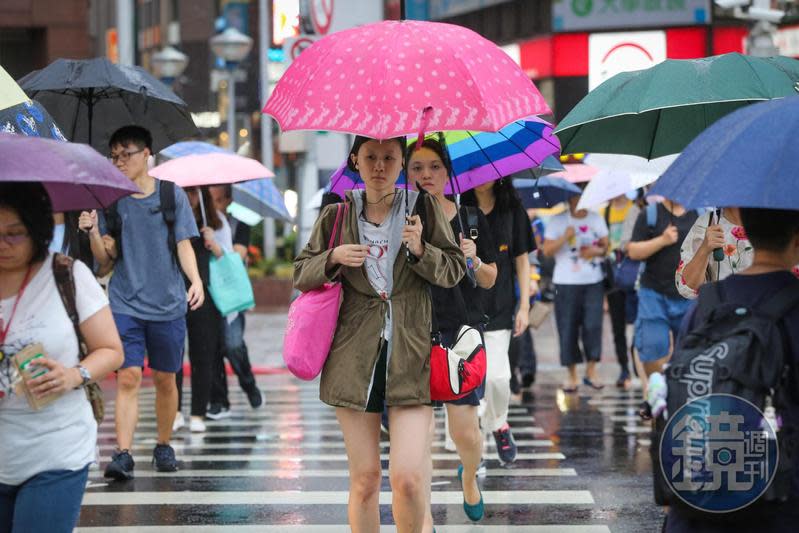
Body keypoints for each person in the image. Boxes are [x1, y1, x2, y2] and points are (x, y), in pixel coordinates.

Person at [294, 135, 465, 533]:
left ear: (402, 162)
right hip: (354, 359)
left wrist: (421, 249)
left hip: (412, 355)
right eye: (370, 157)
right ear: (355, 160)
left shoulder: (422, 208)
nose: (380, 167)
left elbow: (455, 270)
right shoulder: (337, 214)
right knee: (366, 479)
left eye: (389, 158)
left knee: (407, 479)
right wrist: (333, 258)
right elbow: (301, 272)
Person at [79, 125, 204, 479]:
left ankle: (164, 444)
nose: (119, 161)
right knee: (129, 377)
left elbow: (183, 244)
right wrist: (91, 233)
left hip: (167, 304)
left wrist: (195, 281)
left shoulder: (170, 195)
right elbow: (104, 261)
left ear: (147, 153)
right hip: (125, 302)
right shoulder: (111, 202)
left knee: (166, 379)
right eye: (114, 155)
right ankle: (123, 453)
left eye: (126, 153)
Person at [665, 207, 799, 532]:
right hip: (782, 496)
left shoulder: (705, 308)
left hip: (705, 491)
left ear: (748, 233)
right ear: (796, 241)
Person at [0, 183, 124, 533]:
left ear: (36, 229)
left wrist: (74, 375)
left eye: (14, 234)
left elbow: (112, 351)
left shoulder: (67, 275)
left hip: (55, 450)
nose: (3, 244)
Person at [408, 137, 497, 525]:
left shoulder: (471, 218)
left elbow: (492, 279)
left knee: (466, 434)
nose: (425, 175)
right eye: (417, 168)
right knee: (418, 438)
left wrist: (474, 260)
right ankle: (422, 515)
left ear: (447, 172)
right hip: (416, 335)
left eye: (434, 167)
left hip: (462, 335)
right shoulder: (403, 217)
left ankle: (470, 476)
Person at [461, 178, 534, 465]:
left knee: (499, 378)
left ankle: (499, 424)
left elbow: (522, 259)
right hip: (464, 308)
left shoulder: (512, 208)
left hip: (501, 306)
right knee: (466, 383)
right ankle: (471, 442)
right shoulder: (459, 207)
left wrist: (525, 306)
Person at [627, 197, 697, 405]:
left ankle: (679, 395)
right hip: (653, 292)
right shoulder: (649, 214)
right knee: (652, 346)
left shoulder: (701, 214)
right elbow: (633, 251)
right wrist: (662, 240)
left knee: (690, 350)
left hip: (690, 294)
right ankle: (656, 390)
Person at [542, 189, 609, 393]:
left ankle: (591, 370)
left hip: (593, 281)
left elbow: (606, 247)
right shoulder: (558, 220)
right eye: (576, 195)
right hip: (565, 282)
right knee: (567, 327)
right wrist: (565, 237)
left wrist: (595, 251)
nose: (579, 200)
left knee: (593, 325)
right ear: (568, 197)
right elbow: (546, 251)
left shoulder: (596, 219)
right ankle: (571, 375)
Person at [173, 186, 226, 433]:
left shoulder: (214, 222)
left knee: (202, 355)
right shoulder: (170, 220)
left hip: (206, 295)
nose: (190, 198)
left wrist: (212, 242)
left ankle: (198, 413)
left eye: (194, 192)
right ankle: (175, 411)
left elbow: (228, 258)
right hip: (175, 291)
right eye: (185, 192)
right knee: (174, 354)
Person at [206, 184, 262, 417]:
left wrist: (216, 247)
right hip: (207, 292)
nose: (215, 205)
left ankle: (249, 384)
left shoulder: (239, 224)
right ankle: (219, 401)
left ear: (228, 200)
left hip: (231, 294)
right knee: (212, 348)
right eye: (211, 200)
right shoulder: (200, 223)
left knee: (233, 344)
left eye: (218, 200)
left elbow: (238, 255)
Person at [605, 194, 636, 389]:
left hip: (633, 274)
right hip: (613, 277)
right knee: (618, 328)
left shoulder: (635, 209)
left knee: (637, 324)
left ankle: (637, 364)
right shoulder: (605, 211)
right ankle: (624, 368)